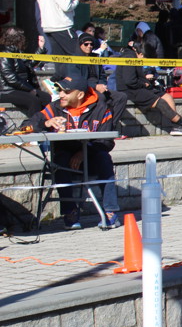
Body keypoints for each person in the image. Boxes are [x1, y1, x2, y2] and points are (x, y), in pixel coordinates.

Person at [25, 73, 121, 230]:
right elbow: (26, 125)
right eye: (60, 90)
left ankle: (110, 211)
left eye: (66, 91)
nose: (61, 95)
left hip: (92, 156)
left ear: (80, 95)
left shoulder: (102, 108)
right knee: (60, 160)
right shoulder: (54, 107)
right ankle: (70, 211)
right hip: (64, 157)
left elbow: (107, 141)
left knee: (104, 158)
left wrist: (83, 153)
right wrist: (46, 123)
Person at [116, 35, 182, 136]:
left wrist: (146, 82)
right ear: (140, 54)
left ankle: (175, 127)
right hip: (130, 90)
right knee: (160, 102)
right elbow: (129, 81)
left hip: (140, 86)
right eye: (145, 58)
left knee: (167, 97)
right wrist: (144, 83)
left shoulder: (135, 56)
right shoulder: (129, 58)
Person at [0, 26, 51, 119]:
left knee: (46, 98)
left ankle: (44, 122)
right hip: (7, 90)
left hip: (18, 88)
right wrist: (29, 89)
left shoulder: (16, 52)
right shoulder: (4, 54)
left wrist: (41, 49)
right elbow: (11, 78)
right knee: (33, 101)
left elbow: (28, 65)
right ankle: (33, 124)